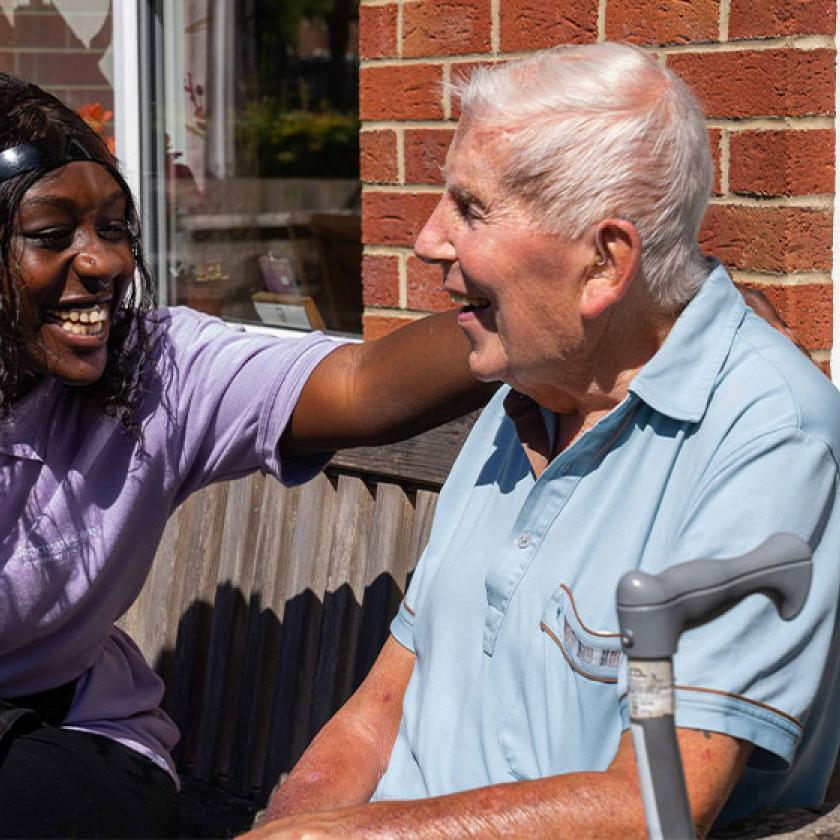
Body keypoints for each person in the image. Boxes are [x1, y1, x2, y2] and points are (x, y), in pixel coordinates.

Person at [248, 42, 840, 838]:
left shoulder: (769, 440)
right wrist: (280, 826)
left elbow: (658, 802)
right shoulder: (530, 388)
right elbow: (378, 714)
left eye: (471, 208)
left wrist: (334, 838)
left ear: (604, 263)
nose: (427, 239)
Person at [0, 73, 495, 837]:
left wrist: (551, 303)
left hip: (74, 744)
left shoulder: (154, 371)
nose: (102, 263)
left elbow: (364, 385)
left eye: (115, 227)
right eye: (53, 235)